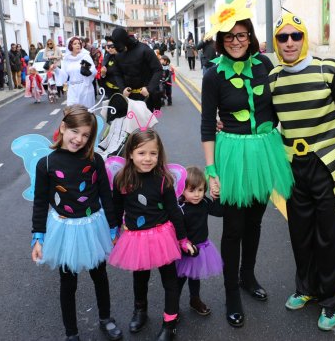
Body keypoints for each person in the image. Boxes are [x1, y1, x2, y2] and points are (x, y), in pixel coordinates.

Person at [201, 0, 293, 328]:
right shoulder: (213, 75)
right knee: (233, 227)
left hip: (264, 152)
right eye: (229, 37)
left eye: (241, 35)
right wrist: (211, 170)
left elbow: (277, 107)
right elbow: (207, 123)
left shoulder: (265, 65)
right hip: (233, 156)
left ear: (250, 37)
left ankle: (247, 277)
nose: (236, 42)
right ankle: (231, 294)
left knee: (254, 222)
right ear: (221, 42)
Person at [269, 12, 335, 331]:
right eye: (283, 37)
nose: (290, 42)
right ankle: (306, 288)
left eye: (296, 36)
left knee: (330, 237)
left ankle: (331, 301)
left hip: (329, 165)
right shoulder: (274, 80)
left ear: (305, 38)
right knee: (300, 233)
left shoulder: (328, 69)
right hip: (293, 169)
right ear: (277, 43)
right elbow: (267, 124)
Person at [31, 105, 123, 341]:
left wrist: (114, 226)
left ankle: (106, 318)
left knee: (99, 275)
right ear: (63, 127)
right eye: (75, 132)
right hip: (64, 229)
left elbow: (106, 195)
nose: (79, 139)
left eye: (85, 135)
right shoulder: (46, 164)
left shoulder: (94, 160)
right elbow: (40, 203)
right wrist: (38, 237)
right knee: (68, 282)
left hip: (93, 226)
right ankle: (71, 332)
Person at [108, 129, 197, 340]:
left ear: (159, 154)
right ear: (130, 153)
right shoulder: (122, 179)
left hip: (162, 236)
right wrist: (114, 230)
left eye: (153, 154)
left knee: (170, 281)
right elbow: (117, 207)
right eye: (141, 153)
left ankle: (169, 323)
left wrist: (182, 238)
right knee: (140, 278)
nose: (147, 159)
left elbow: (174, 210)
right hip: (135, 238)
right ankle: (140, 311)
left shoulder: (162, 179)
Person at [176, 166, 223, 316]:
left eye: (200, 190)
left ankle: (194, 299)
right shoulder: (180, 208)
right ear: (182, 190)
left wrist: (216, 197)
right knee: (179, 279)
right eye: (191, 190)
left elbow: (219, 212)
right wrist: (184, 245)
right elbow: (177, 230)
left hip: (201, 247)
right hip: (184, 250)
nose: (196, 195)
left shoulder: (204, 202)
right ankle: (173, 306)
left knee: (195, 276)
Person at [110, 27, 163, 111]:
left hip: (147, 97)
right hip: (129, 98)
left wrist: (149, 88)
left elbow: (158, 70)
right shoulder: (118, 54)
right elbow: (117, 73)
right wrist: (122, 88)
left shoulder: (145, 49)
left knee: (148, 123)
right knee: (130, 123)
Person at [62, 37, 97, 108]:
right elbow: (63, 74)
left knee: (85, 113)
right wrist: (55, 69)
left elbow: (93, 70)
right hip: (72, 89)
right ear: (70, 46)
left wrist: (88, 71)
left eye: (79, 43)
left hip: (85, 87)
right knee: (72, 112)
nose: (78, 45)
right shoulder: (66, 59)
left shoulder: (85, 56)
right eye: (75, 44)